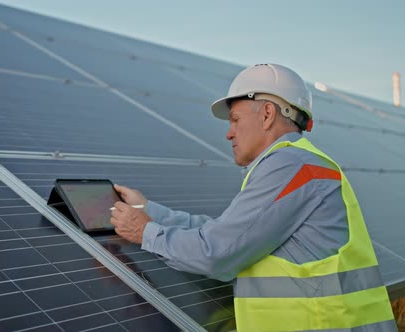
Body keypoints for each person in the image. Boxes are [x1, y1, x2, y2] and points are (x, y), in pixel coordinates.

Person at [110, 64, 397, 331]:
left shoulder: (291, 166)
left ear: (268, 114)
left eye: (235, 119)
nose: (229, 133)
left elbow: (217, 252)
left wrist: (145, 232)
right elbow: (227, 232)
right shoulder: (300, 163)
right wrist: (146, 209)